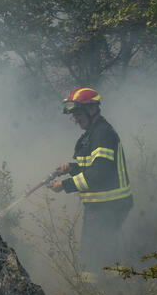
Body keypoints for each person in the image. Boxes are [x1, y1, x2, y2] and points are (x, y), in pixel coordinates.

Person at [48, 87, 133, 281]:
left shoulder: (102, 134)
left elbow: (99, 174)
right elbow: (93, 169)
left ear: (92, 109)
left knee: (93, 257)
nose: (76, 118)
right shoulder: (92, 134)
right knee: (98, 255)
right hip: (101, 206)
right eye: (74, 115)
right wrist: (71, 167)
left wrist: (65, 185)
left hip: (110, 205)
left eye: (78, 113)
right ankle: (105, 293)